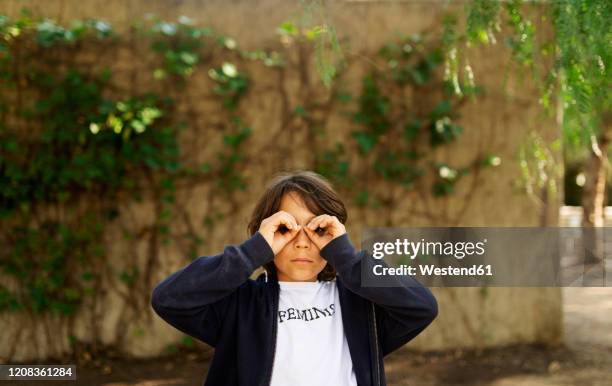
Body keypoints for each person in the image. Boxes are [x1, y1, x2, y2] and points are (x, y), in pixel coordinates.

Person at [151, 170, 438, 386]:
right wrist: (253, 252)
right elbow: (168, 299)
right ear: (265, 234)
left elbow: (421, 306)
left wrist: (347, 258)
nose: (302, 243)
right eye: (287, 229)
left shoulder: (360, 305)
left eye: (317, 229)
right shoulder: (241, 305)